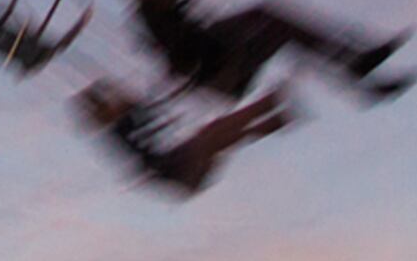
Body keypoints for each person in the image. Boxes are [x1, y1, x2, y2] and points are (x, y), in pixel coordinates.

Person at [83, 0, 410, 103]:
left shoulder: (151, 9)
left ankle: (356, 63)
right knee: (277, 25)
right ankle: (356, 68)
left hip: (221, 65)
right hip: (224, 72)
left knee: (270, 16)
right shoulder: (151, 4)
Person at [77, 82, 293, 198]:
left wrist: (118, 95)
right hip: (179, 172)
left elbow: (145, 111)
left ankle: (272, 112)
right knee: (211, 137)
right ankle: (269, 107)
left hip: (181, 168)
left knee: (215, 134)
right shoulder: (118, 131)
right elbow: (140, 145)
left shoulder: (127, 119)